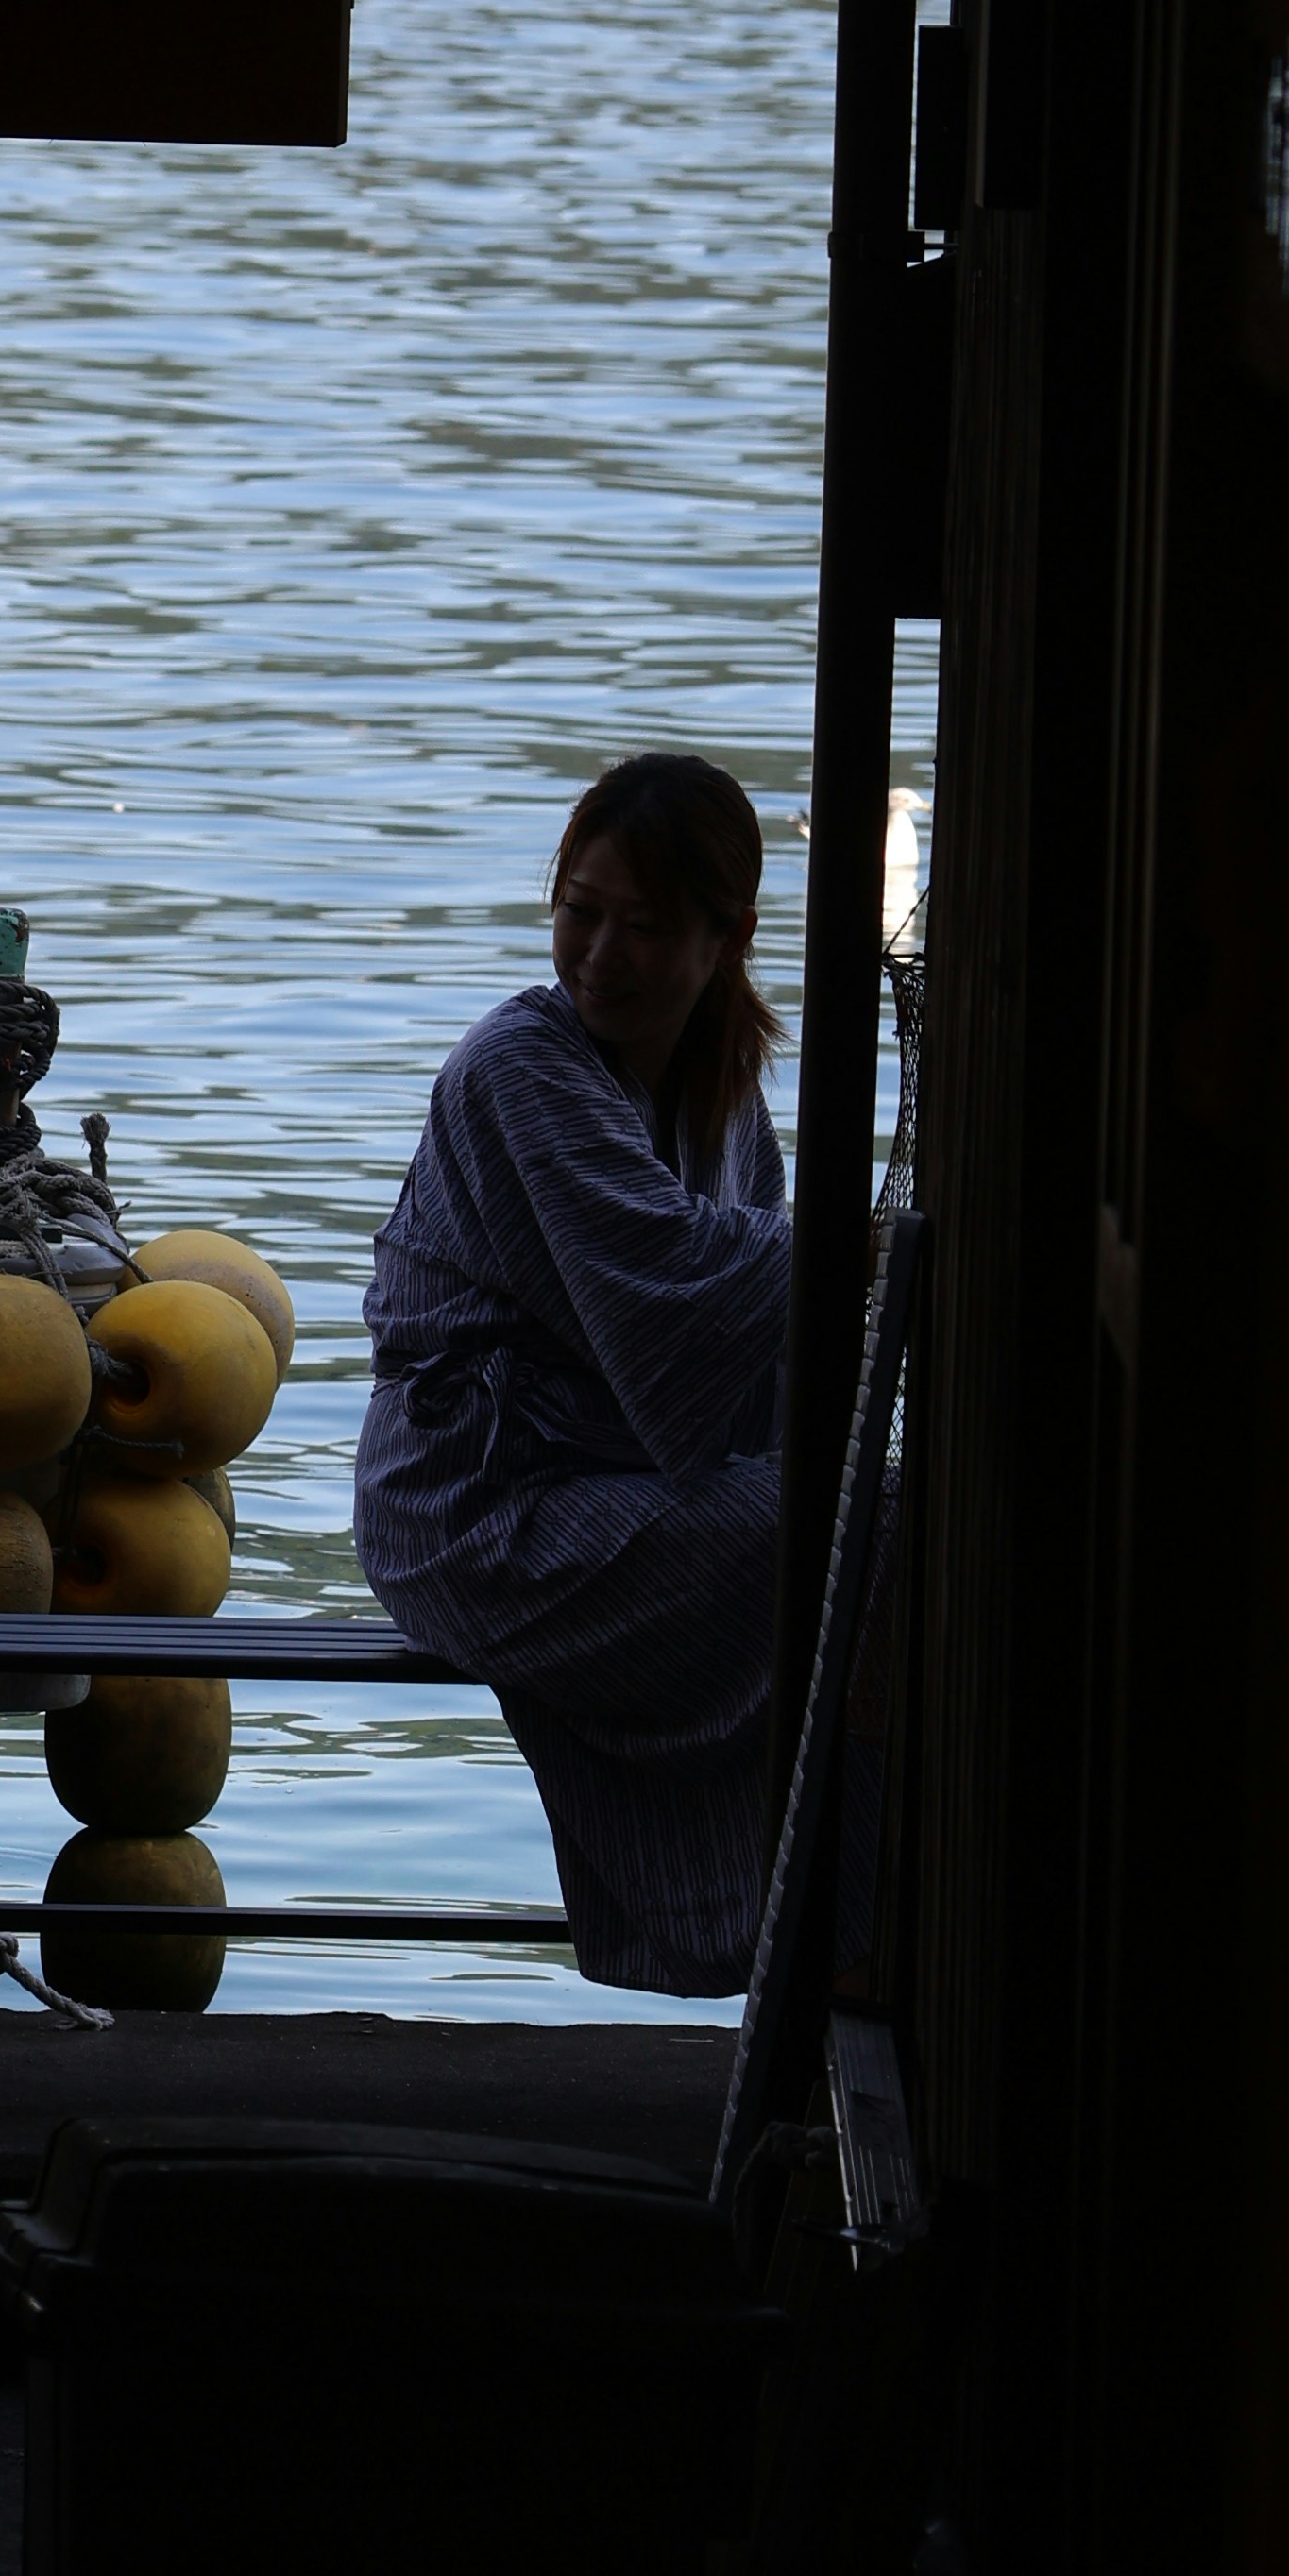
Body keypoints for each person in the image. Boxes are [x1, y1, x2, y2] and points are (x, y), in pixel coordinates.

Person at [352, 751, 791, 1997]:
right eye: (578, 912)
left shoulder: (726, 1097)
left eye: (642, 927)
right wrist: (855, 1260)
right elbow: (681, 1287)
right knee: (837, 1527)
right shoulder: (519, 1068)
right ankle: (820, 1930)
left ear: (726, 937)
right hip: (471, 1501)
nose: (599, 953)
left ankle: (823, 1917)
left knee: (867, 1523)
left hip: (616, 1477)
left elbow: (746, 1333)